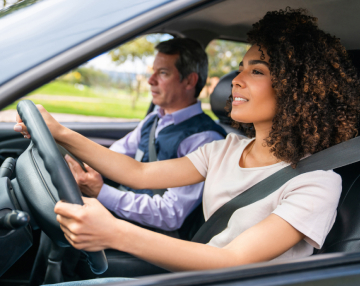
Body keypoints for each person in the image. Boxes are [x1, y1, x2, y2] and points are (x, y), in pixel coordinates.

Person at [15, 7, 360, 285]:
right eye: (240, 67)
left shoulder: (317, 182)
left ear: (295, 89)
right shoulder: (224, 149)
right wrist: (59, 132)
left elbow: (232, 261)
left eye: (258, 71)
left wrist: (114, 232)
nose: (235, 79)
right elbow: (136, 172)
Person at [65, 38, 226, 235]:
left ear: (190, 81)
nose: (151, 80)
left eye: (163, 73)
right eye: (153, 72)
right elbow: (113, 156)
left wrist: (102, 193)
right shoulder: (155, 119)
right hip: (126, 217)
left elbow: (171, 214)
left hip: (154, 236)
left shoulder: (204, 139)